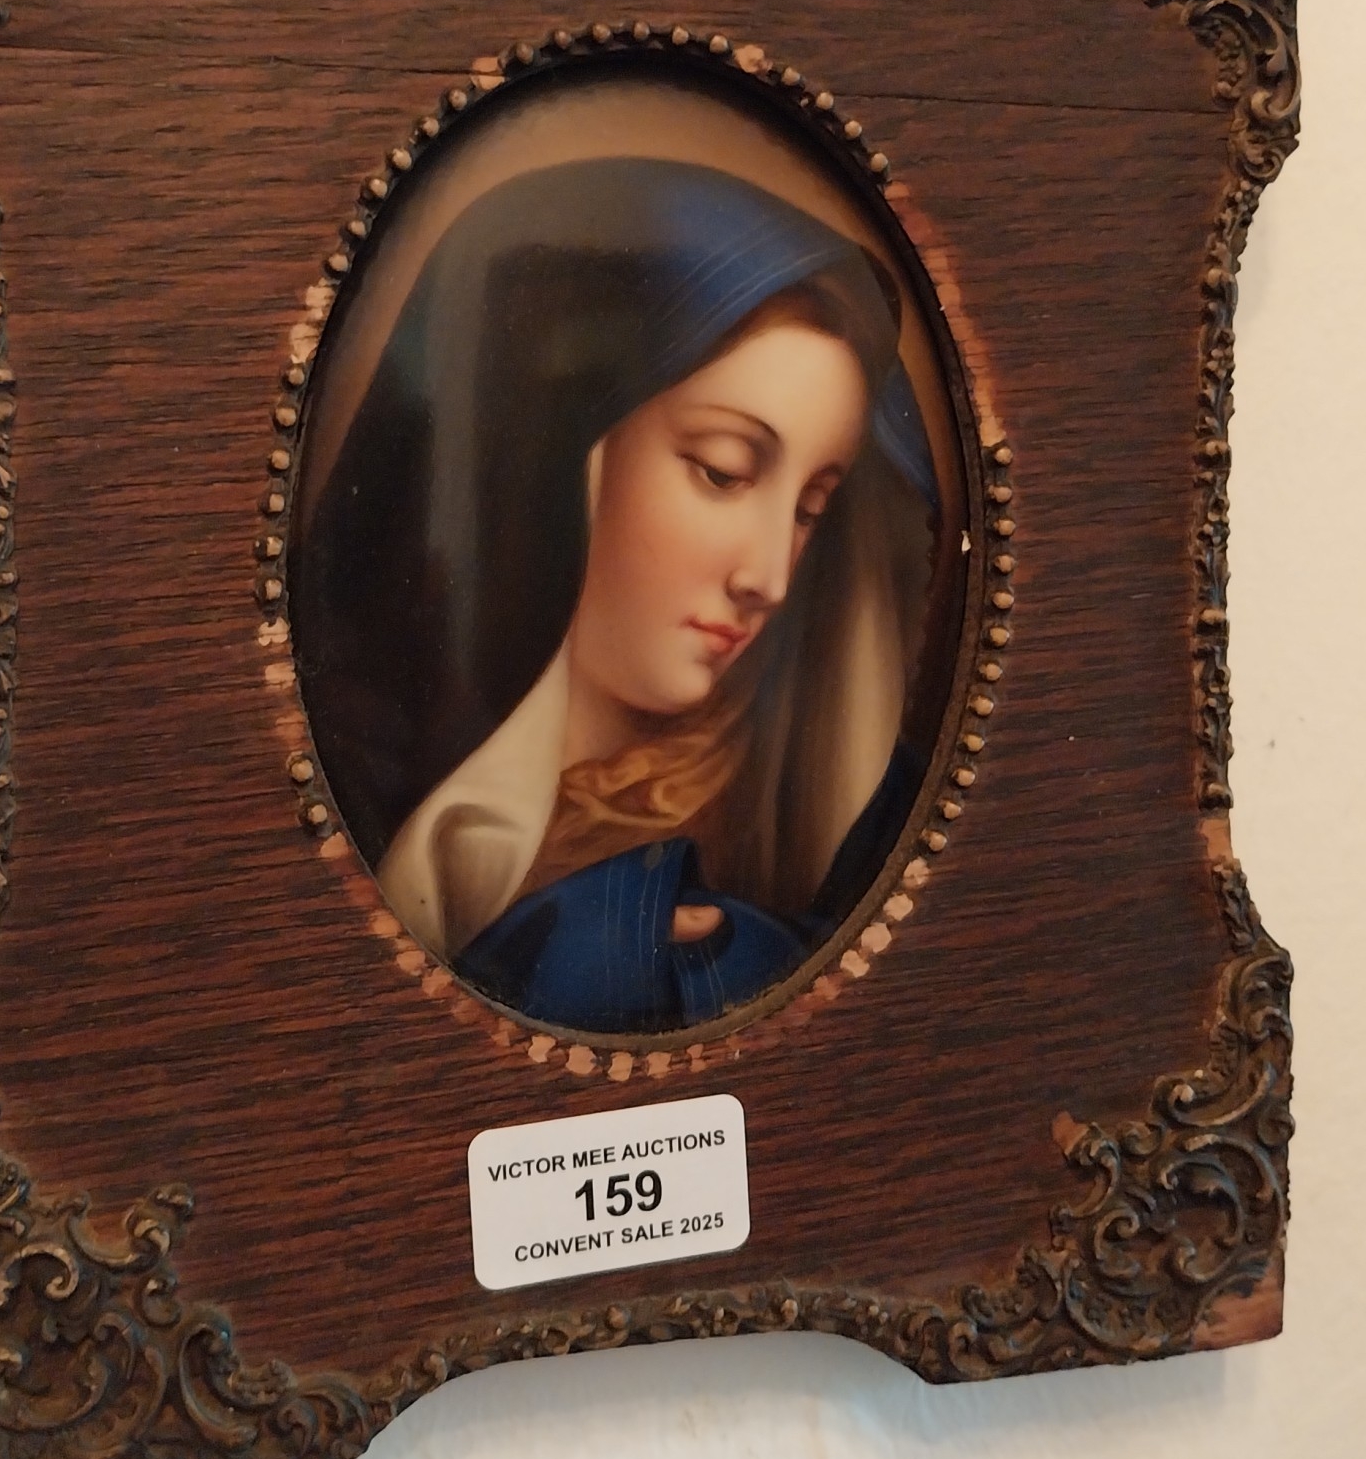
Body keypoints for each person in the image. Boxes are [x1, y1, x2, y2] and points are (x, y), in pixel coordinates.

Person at [291, 156, 939, 1034]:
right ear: (564, 447)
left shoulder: (852, 802)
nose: (768, 580)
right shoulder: (354, 773)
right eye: (722, 471)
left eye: (809, 510)